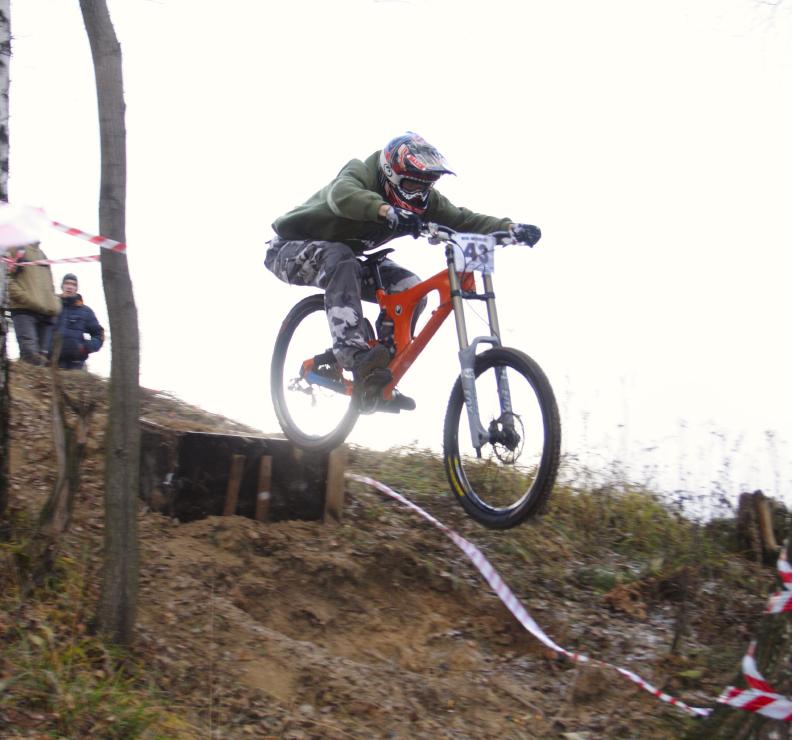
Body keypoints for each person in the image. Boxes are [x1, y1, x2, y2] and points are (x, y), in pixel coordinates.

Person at [264, 132, 542, 408]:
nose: (418, 194)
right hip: (288, 250)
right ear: (390, 175)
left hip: (345, 257)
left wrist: (510, 229)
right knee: (342, 259)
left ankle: (379, 376)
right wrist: (385, 210)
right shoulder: (361, 172)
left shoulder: (425, 201)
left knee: (411, 289)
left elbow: (463, 220)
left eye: (425, 186)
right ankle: (354, 356)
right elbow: (342, 195)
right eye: (411, 185)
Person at [4, 240, 61, 366]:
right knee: (30, 357)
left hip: (46, 312)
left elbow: (50, 284)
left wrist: (54, 302)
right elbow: (5, 277)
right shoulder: (16, 248)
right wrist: (25, 297)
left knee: (42, 362)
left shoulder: (42, 254)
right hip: (24, 310)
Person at [51, 273, 105, 370]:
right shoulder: (52, 307)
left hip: (75, 365)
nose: (70, 287)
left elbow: (99, 334)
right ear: (62, 286)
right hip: (51, 362)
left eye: (73, 284)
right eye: (67, 283)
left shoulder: (85, 311)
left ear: (76, 288)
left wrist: (85, 348)